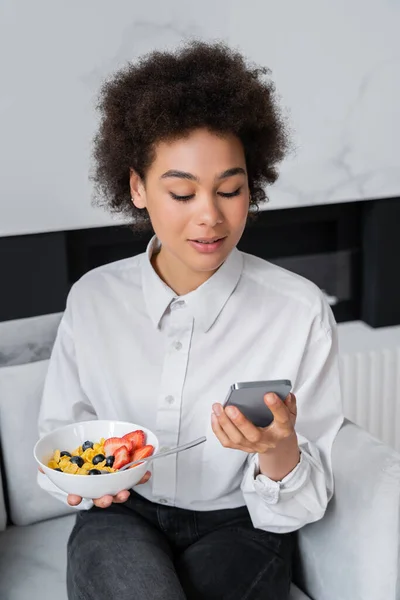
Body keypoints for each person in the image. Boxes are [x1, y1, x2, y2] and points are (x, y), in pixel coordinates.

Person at [37, 41, 343, 600]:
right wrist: (85, 481)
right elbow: (60, 434)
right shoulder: (94, 298)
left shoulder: (299, 311)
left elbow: (306, 498)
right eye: (182, 192)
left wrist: (275, 450)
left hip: (243, 524)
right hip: (122, 513)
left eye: (231, 190)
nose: (211, 216)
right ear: (136, 187)